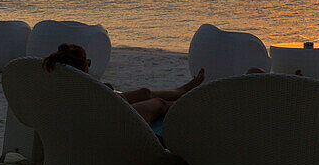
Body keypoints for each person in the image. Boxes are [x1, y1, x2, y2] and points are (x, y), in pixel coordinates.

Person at [42, 43, 205, 125]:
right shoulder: (85, 88)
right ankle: (188, 104)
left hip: (110, 106)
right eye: (88, 63)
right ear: (81, 68)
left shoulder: (66, 83)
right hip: (117, 123)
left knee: (145, 92)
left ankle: (184, 89)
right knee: (159, 104)